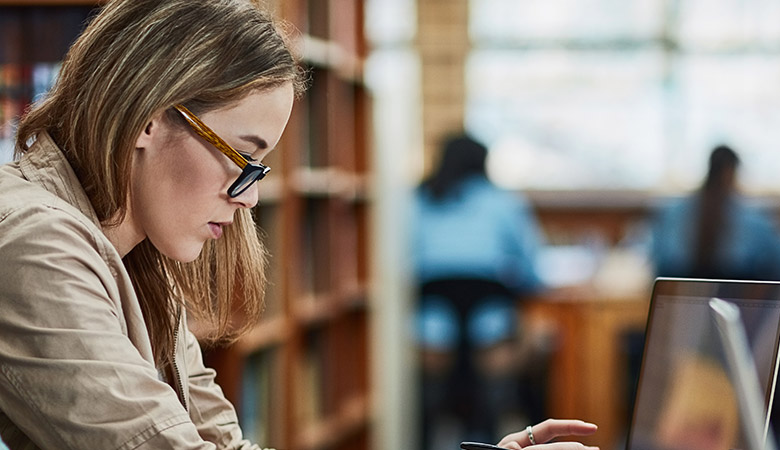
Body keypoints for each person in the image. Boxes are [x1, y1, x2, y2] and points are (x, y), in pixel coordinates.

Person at [0, 1, 595, 449]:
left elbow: (222, 442)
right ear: (149, 119)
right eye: (242, 156)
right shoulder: (36, 240)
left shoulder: (137, 253)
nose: (251, 199)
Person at [412, 133, 551, 448]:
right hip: (490, 330)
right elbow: (532, 272)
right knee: (534, 344)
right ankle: (494, 436)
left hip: (429, 330)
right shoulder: (503, 203)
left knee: (429, 367)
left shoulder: (417, 200)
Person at [650, 145, 780, 290]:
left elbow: (658, 265)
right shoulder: (752, 219)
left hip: (679, 307)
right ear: (732, 173)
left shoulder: (673, 213)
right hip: (739, 311)